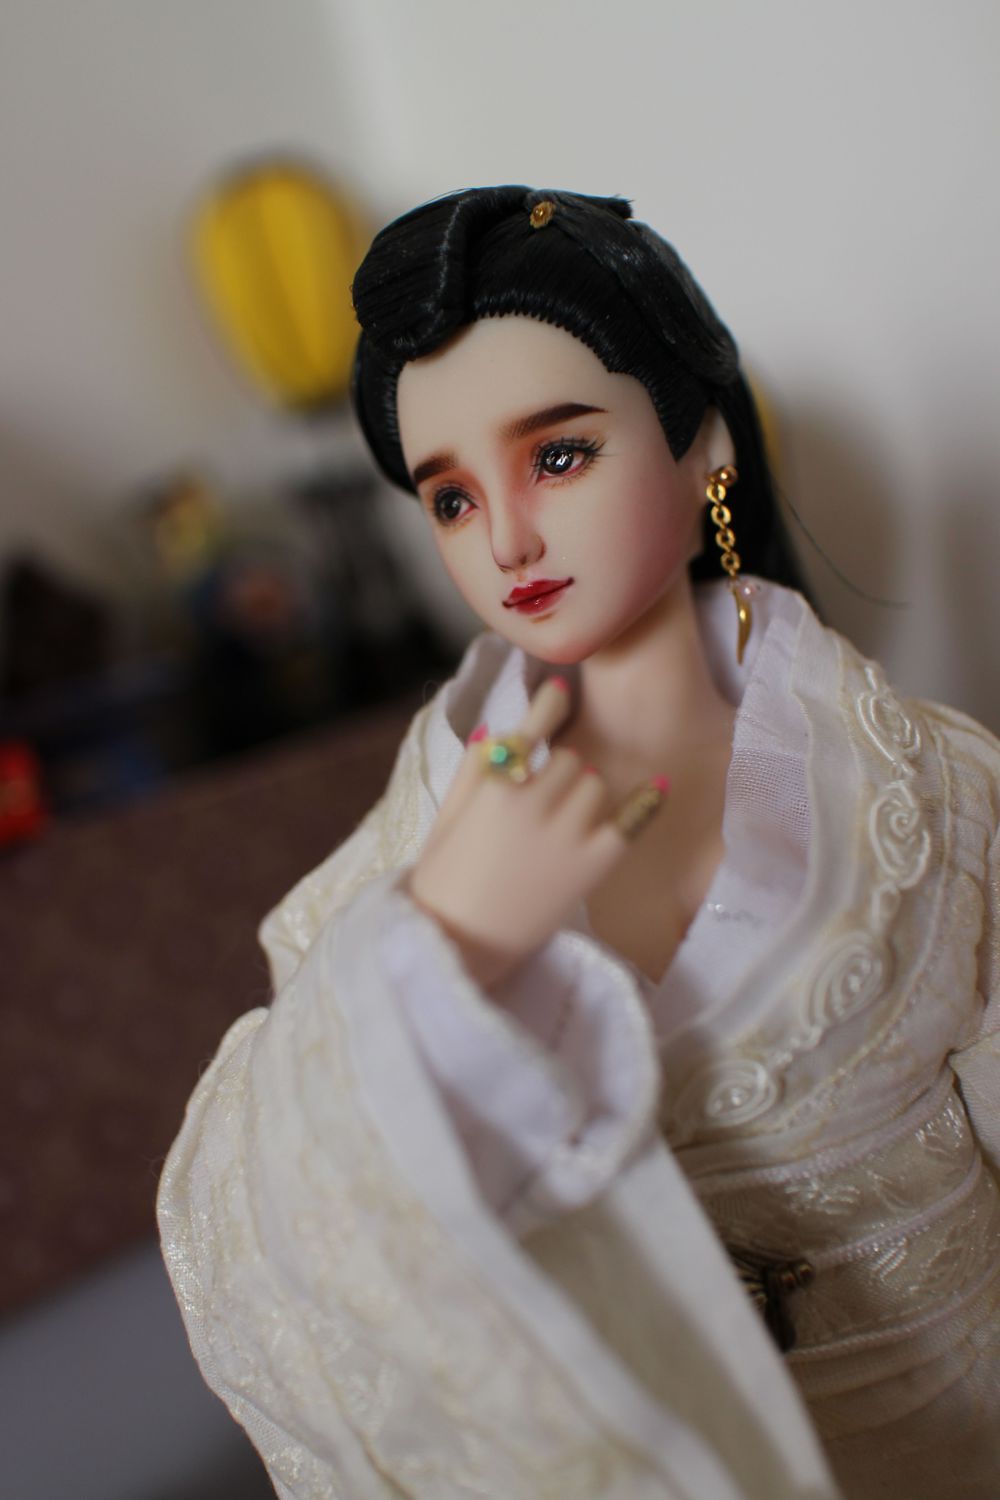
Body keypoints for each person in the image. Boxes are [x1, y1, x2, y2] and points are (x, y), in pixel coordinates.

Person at [158, 187, 1000, 1500]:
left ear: (703, 445)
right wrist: (432, 954)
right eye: (449, 497)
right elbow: (261, 1207)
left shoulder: (939, 793)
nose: (505, 538)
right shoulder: (401, 864)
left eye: (558, 457)